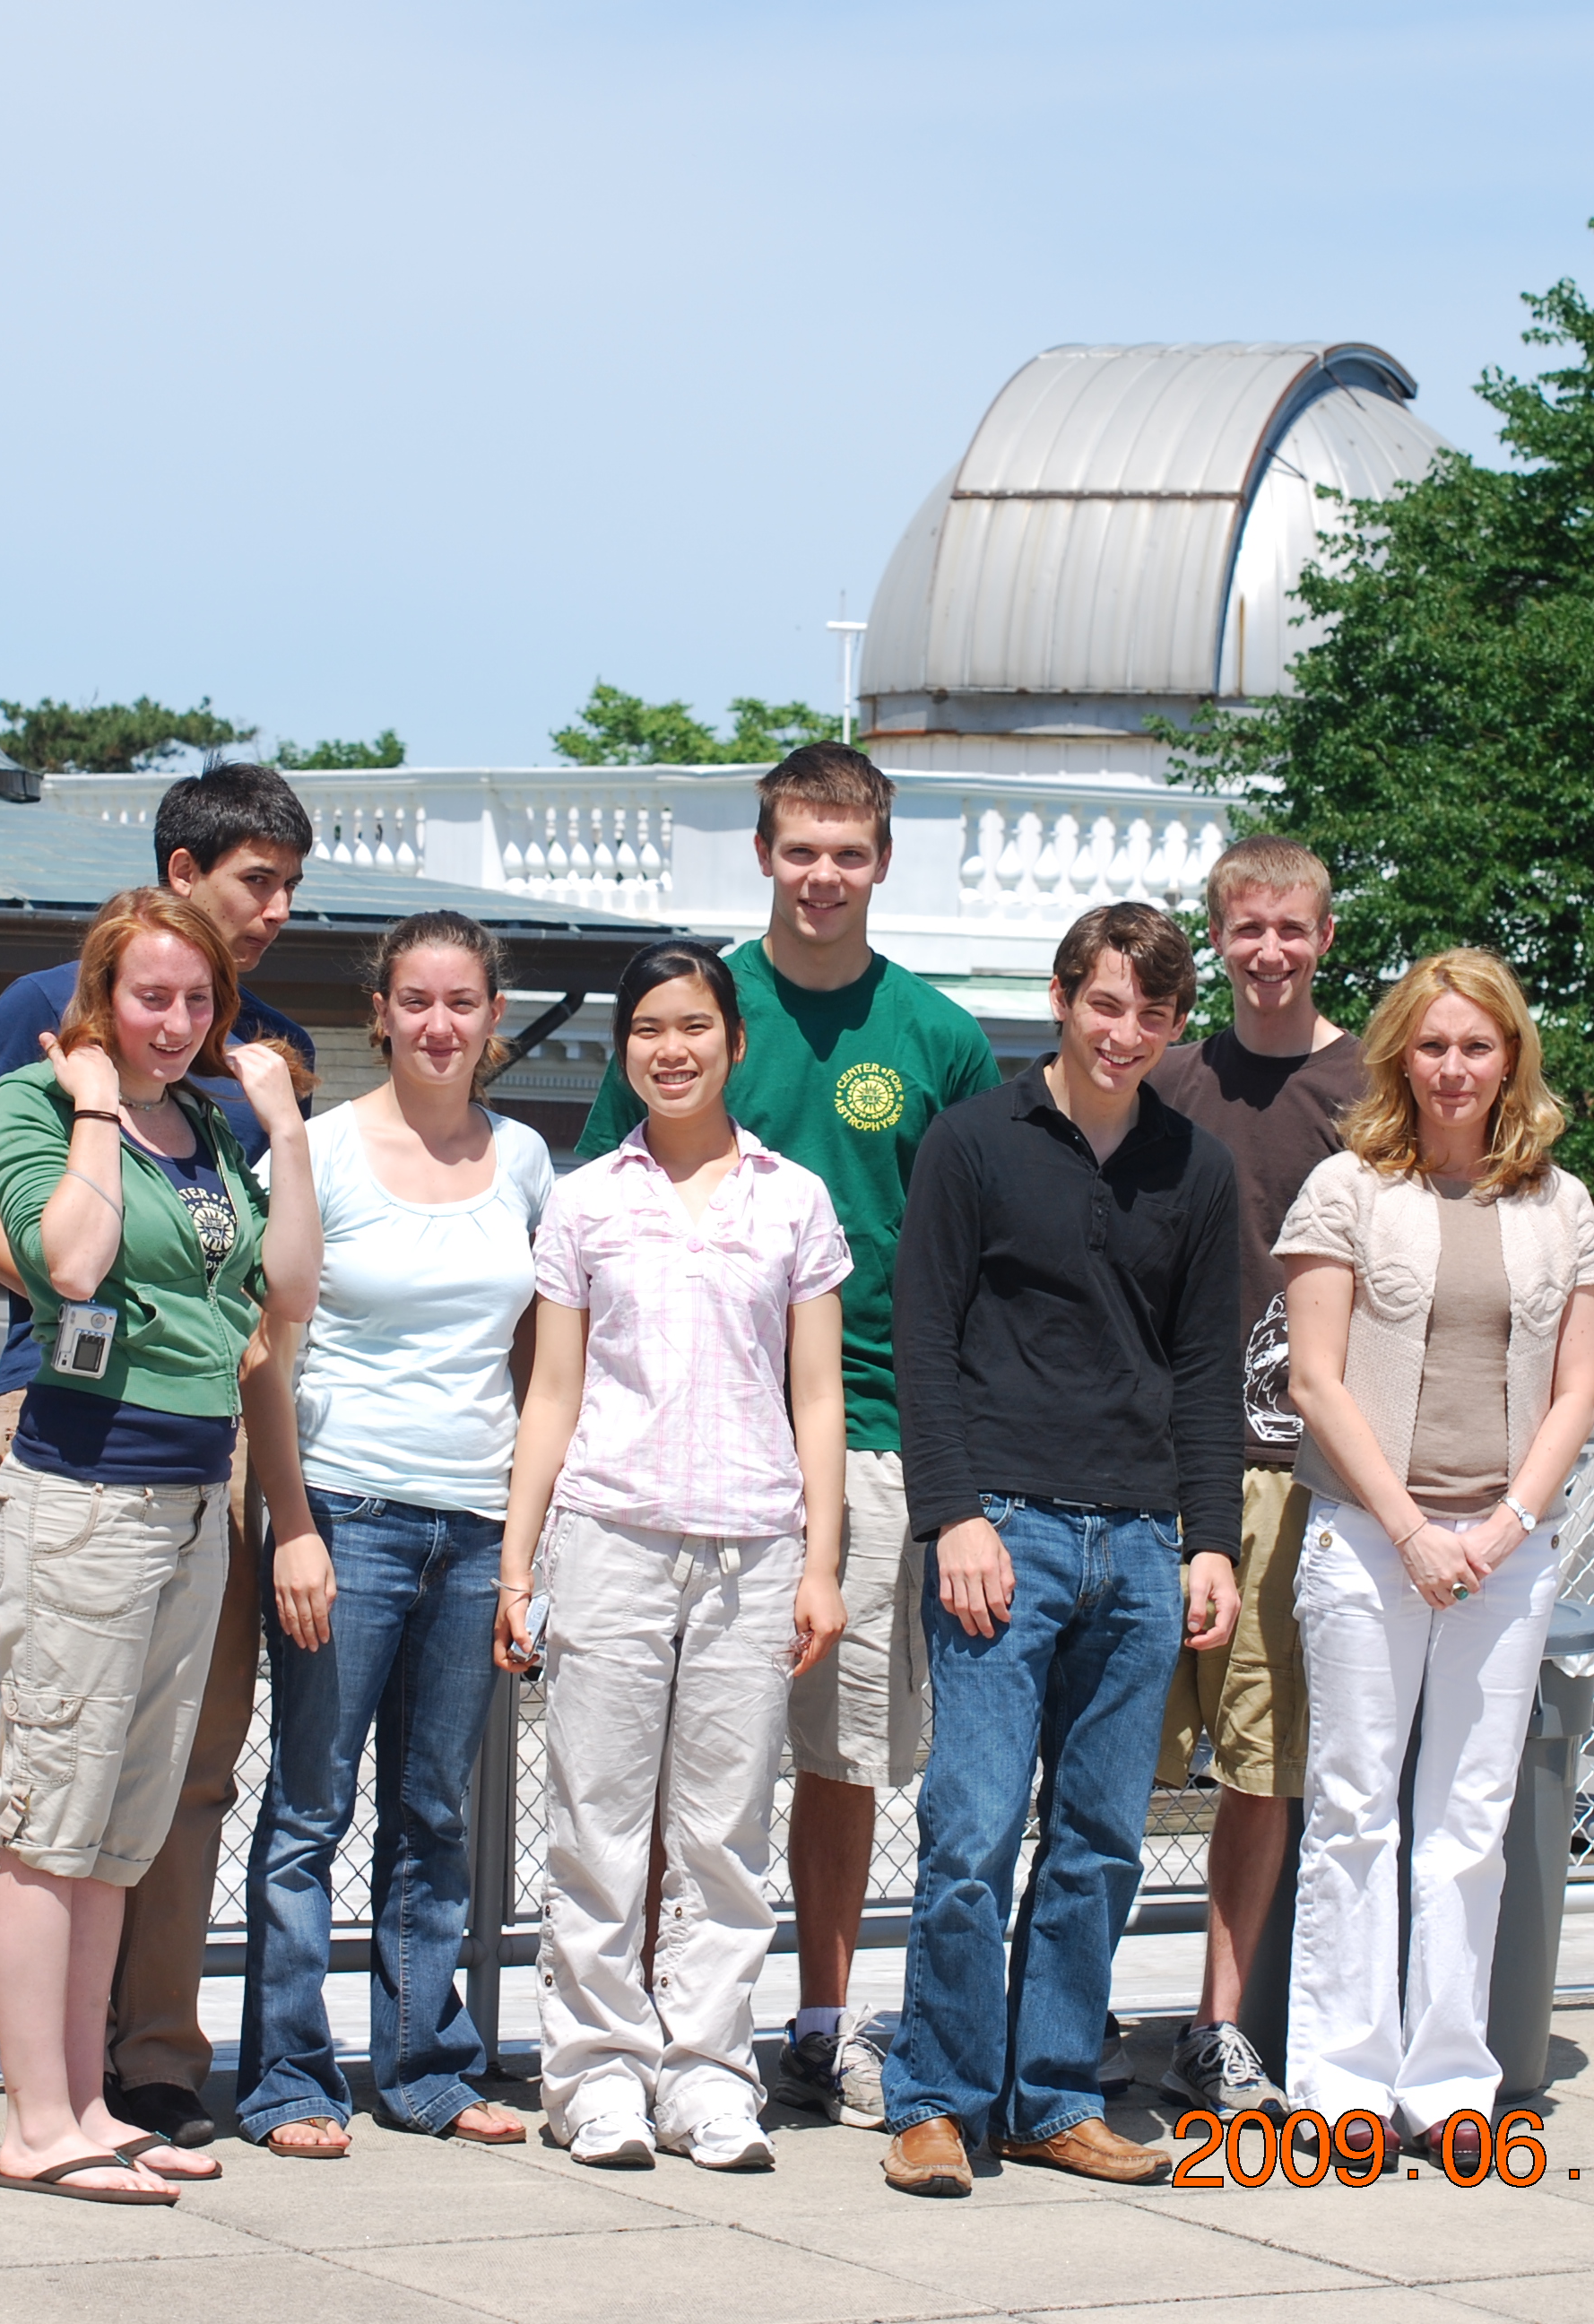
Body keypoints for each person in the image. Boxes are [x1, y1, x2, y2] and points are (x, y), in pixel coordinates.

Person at [571, 744, 995, 2129]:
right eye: (800, 850)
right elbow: (592, 1221)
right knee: (654, 1767)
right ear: (763, 854)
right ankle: (636, 2037)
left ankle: (817, 2022)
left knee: (839, 1751)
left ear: (883, 863)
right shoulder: (695, 1007)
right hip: (673, 1448)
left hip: (863, 1434)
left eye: (848, 854)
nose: (823, 876)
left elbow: (974, 1259)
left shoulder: (936, 1037)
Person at [0, 761, 317, 2149]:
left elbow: (276, 1295)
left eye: (198, 1000)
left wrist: (279, 1125)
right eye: (255, 881)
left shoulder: (229, 1084)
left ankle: (126, 2081)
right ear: (178, 873)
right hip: (77, 1448)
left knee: (155, 1793)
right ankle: (44, 2107)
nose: (183, 1015)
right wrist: (13, 1270)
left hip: (197, 1462)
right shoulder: (50, 1034)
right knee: (60, 1797)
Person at [881, 901, 1243, 2198]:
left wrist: (1211, 1542)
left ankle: (1050, 2100)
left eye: (1153, 1014)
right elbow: (923, 1336)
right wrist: (954, 1515)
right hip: (1005, 1529)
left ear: (1175, 1024)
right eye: (1105, 1004)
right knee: (971, 1834)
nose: (1124, 1033)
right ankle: (936, 2100)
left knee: (1099, 1844)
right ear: (1061, 998)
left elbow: (1205, 1369)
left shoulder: (1197, 1170)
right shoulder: (974, 1141)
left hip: (1142, 1544)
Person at [505, 937, 852, 2172]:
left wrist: (821, 1562)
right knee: (598, 1826)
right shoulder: (587, 1199)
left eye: (694, 1025)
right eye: (648, 1028)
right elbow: (552, 1392)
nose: (672, 1048)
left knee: (724, 1834)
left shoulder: (794, 1199)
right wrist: (520, 1564)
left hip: (754, 1546)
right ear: (624, 1050)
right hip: (611, 1534)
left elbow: (819, 1395)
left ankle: (709, 2076)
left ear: (734, 1043)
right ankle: (595, 2076)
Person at [1276, 948, 1594, 2172]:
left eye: (1477, 1045)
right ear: (1399, 1058)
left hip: (1505, 1554)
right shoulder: (1346, 1190)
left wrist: (1504, 1526)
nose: (1454, 1068)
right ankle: (1340, 2084)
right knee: (1355, 1812)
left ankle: (1451, 2081)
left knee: (1470, 1821)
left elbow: (1578, 1389)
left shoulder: (1561, 1204)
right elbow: (1315, 1380)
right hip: (1372, 1543)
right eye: (1433, 1046)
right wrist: (1412, 1530)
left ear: (1511, 1056)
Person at [232, 910, 552, 2155]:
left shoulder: (524, 1159)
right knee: (309, 1809)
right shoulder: (317, 1149)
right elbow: (268, 1349)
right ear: (380, 1011)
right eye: (415, 1000)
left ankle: (425, 2067)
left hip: (473, 1524)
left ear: (494, 1017)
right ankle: (287, 2077)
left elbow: (539, 1360)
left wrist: (523, 1544)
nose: (438, 1024)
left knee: (435, 1816)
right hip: (347, 1514)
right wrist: (294, 1524)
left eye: (462, 1002)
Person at [1139, 836, 1367, 2122]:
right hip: (1152, 1462)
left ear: (1324, 937)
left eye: (1291, 929)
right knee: (1112, 1752)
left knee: (1263, 1763)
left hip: (1291, 1469)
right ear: (1216, 938)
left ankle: (1215, 2027)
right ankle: (1061, 2003)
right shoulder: (1171, 1077)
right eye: (1246, 929)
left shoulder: (1372, 1089)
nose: (1269, 951)